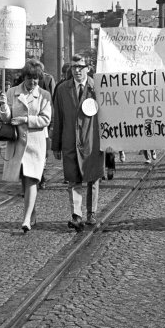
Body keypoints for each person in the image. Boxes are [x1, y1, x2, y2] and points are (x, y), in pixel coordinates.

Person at [0, 59, 52, 232]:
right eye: (30, 78)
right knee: (24, 179)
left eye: (36, 78)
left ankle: (26, 219)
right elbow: (5, 119)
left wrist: (26, 120)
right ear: (24, 76)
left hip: (35, 143)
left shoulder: (44, 95)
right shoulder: (12, 92)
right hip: (17, 143)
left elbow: (46, 119)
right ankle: (32, 212)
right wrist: (4, 106)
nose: (33, 82)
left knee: (31, 179)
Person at [52, 54, 104, 231]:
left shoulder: (97, 87)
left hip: (92, 140)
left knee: (92, 177)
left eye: (81, 67)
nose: (77, 71)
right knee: (73, 180)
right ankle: (76, 215)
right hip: (70, 141)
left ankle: (91, 212)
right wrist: (56, 144)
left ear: (88, 68)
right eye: (74, 67)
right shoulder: (61, 89)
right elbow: (58, 118)